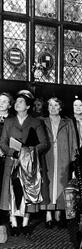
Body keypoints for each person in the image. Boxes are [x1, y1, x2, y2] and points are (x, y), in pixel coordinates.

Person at [0, 90, 49, 236]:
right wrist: (13, 153)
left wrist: (29, 152)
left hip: (29, 163)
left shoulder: (36, 122)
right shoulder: (9, 121)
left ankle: (26, 223)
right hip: (12, 161)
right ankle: (14, 222)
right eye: (16, 102)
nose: (17, 104)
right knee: (12, 191)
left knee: (28, 191)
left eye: (21, 102)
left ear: (28, 106)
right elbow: (2, 142)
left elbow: (44, 143)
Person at [41, 98, 78, 229]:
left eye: (56, 105)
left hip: (63, 156)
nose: (53, 107)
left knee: (62, 185)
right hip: (48, 156)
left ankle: (58, 213)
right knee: (48, 184)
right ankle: (48, 214)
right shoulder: (42, 122)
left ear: (60, 108)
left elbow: (73, 142)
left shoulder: (67, 122)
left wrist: (74, 159)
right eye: (50, 105)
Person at [0, 93, 13, 227]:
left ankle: (5, 216)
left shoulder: (13, 120)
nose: (1, 104)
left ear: (9, 105)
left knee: (5, 187)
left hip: (7, 157)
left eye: (4, 102)